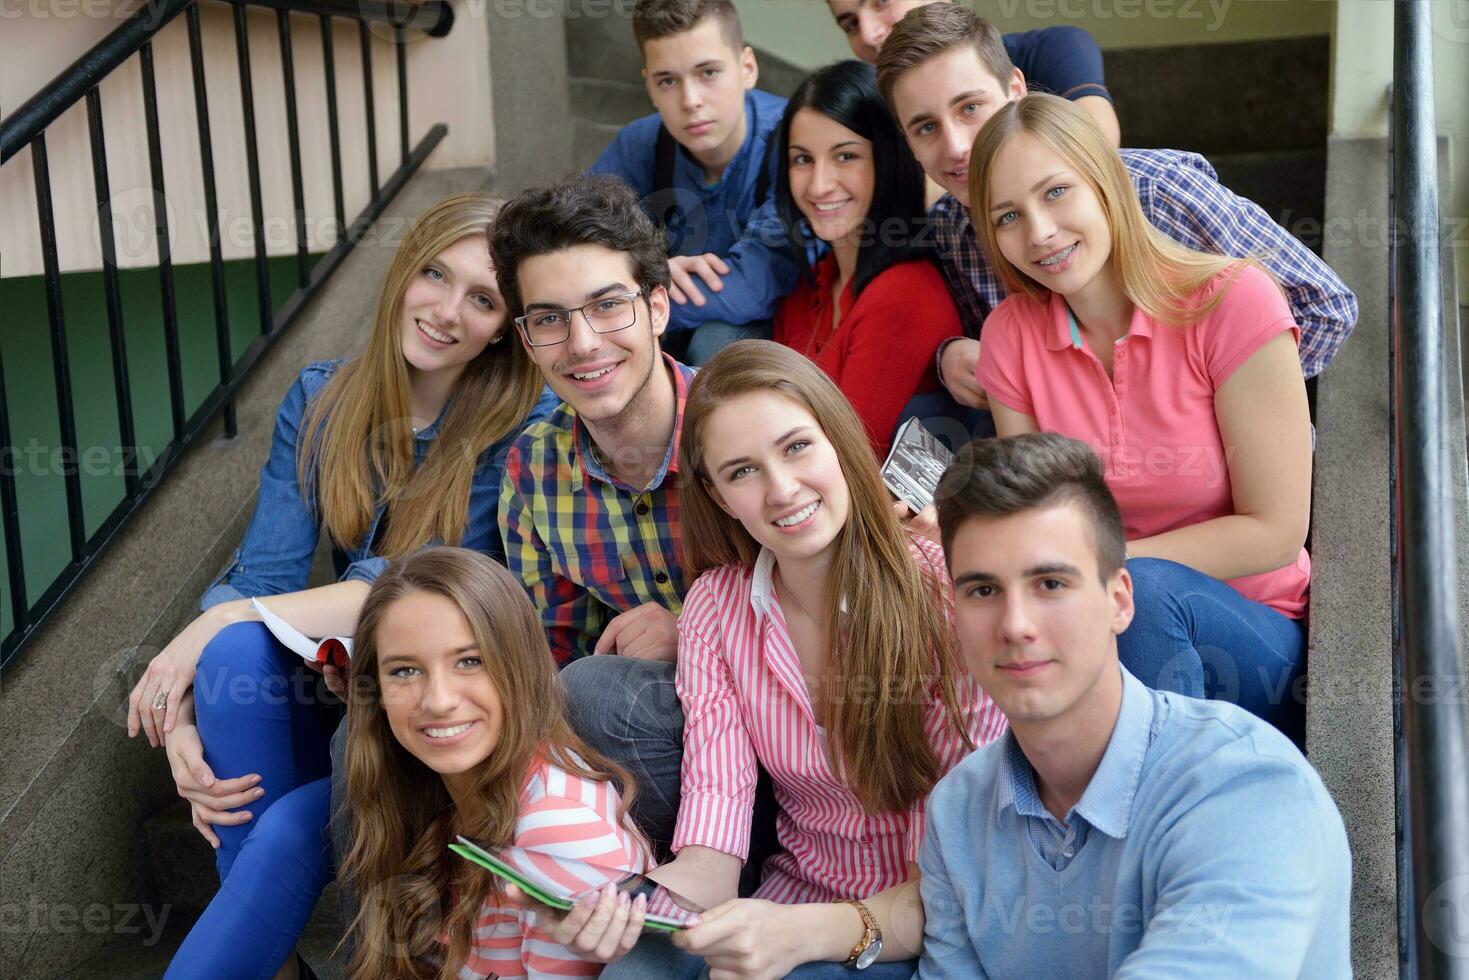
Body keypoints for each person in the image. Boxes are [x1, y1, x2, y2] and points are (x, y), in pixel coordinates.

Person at [149, 194, 557, 979]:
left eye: (481, 300)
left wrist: (213, 626)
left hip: (440, 712)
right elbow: (260, 578)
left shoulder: (521, 422)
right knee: (235, 656)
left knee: (286, 825)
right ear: (404, 269)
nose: (445, 312)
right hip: (341, 686)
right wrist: (180, 719)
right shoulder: (320, 396)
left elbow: (409, 589)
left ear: (505, 326)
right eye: (434, 275)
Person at [582, 340, 1008, 979]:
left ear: (837, 441)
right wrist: (631, 904)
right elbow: (714, 841)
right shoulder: (715, 609)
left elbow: (962, 878)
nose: (782, 489)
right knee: (631, 969)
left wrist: (799, 937)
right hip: (789, 898)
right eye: (742, 471)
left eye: (797, 447)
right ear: (722, 497)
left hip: (920, 921)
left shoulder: (947, 591)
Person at [922, 432, 1351, 977]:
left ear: (1120, 601)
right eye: (983, 591)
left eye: (1050, 583)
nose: (1016, 626)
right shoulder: (957, 809)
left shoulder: (1246, 783)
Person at [972, 93, 1313, 740]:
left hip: (1250, 632)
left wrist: (1101, 569)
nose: (1039, 232)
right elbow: (1037, 520)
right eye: (1008, 216)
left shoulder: (1233, 302)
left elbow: (1274, 531)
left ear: (1106, 183)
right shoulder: (1008, 337)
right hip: (1097, 623)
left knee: (1150, 594)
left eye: (1056, 192)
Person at [875, 2, 1357, 412]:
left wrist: (1217, 408)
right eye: (926, 127)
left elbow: (1323, 306)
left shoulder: (1157, 189)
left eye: (970, 107)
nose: (957, 146)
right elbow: (1003, 351)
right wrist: (948, 355)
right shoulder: (951, 231)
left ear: (1016, 90)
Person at [485, 173, 697, 853]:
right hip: (641, 754)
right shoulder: (533, 469)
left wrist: (693, 632)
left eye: (608, 306)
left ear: (657, 308)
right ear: (526, 339)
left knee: (601, 692)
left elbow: (833, 614)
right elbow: (552, 648)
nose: (581, 344)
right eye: (549, 318)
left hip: (778, 736)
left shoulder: (747, 427)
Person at [337, 546, 651, 977]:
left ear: (518, 664)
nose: (439, 701)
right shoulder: (423, 789)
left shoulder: (556, 831)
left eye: (470, 661)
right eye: (405, 671)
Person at [588, 0, 800, 363]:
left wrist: (637, 292)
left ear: (747, 68)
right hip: (661, 313)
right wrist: (647, 277)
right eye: (668, 81)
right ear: (649, 86)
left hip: (772, 328)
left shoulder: (794, 140)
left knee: (716, 341)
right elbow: (576, 242)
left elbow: (749, 286)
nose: (691, 101)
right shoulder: (640, 145)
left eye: (708, 73)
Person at [770, 60, 960, 457]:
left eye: (846, 156)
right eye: (802, 159)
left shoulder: (905, 293)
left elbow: (846, 459)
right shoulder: (810, 286)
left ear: (888, 160)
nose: (819, 185)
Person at [826, 0, 1120, 146]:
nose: (868, 34)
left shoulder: (1050, 48)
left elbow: (1097, 145)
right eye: (850, 24)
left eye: (880, 1)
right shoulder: (866, 108)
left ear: (1015, 86)